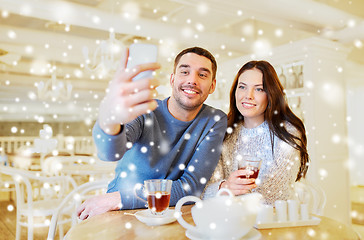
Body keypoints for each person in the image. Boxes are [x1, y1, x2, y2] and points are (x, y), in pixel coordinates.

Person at [77, 46, 227, 220]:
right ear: (172, 80)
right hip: (121, 213)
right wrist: (109, 121)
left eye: (202, 75)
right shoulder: (145, 109)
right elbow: (111, 153)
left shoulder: (215, 120)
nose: (192, 80)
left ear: (212, 85)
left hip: (165, 214)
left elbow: (192, 187)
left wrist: (119, 198)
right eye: (184, 72)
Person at [203, 60, 309, 205]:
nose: (248, 95)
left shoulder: (288, 133)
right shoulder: (224, 132)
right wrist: (225, 186)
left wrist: (227, 190)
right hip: (230, 220)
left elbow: (274, 194)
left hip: (273, 221)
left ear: (271, 94)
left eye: (259, 89)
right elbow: (206, 191)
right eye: (242, 87)